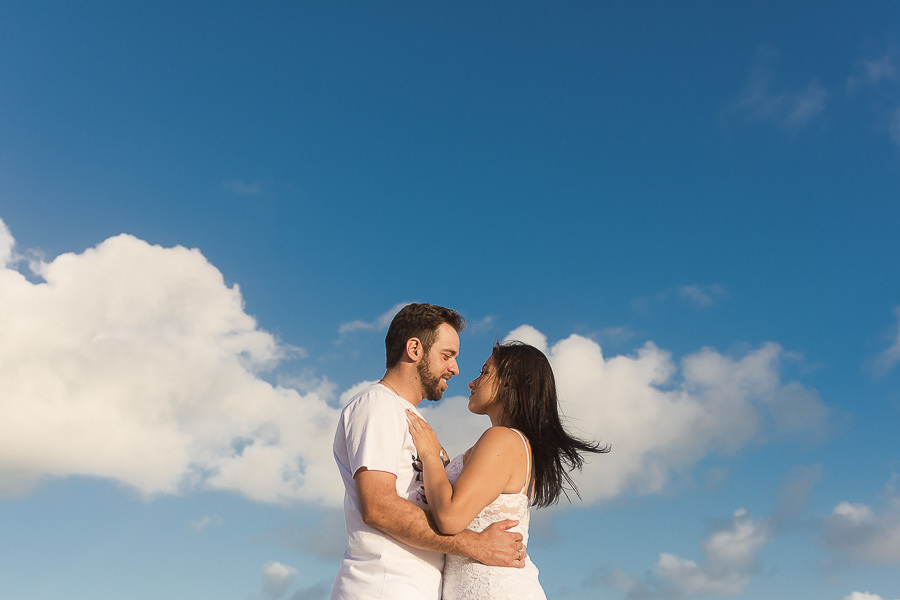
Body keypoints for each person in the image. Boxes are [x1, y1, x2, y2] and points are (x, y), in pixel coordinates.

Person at [330, 303, 527, 600]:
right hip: (382, 587)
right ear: (414, 349)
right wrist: (477, 545)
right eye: (447, 355)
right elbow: (378, 506)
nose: (455, 369)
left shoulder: (416, 423)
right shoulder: (377, 404)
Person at [407, 341, 611, 600]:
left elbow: (449, 517)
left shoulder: (501, 439)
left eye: (484, 372)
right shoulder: (512, 443)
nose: (472, 382)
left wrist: (428, 455)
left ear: (508, 383)